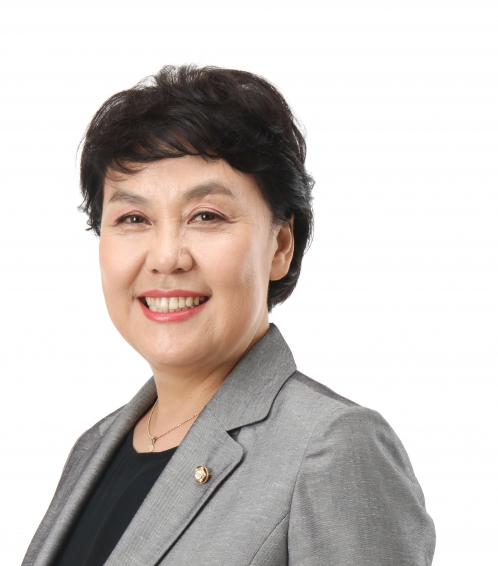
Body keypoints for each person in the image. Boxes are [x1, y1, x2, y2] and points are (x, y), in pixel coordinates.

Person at [21, 65, 435, 566]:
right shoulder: (93, 449)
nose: (166, 257)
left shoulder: (331, 447)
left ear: (280, 246)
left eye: (206, 216)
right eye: (133, 218)